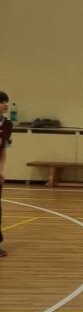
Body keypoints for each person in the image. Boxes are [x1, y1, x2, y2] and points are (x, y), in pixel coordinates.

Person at [0, 91, 10, 258]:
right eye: (2, 101)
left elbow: (3, 150)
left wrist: (1, 170)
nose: (6, 104)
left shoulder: (8, 124)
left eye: (7, 101)